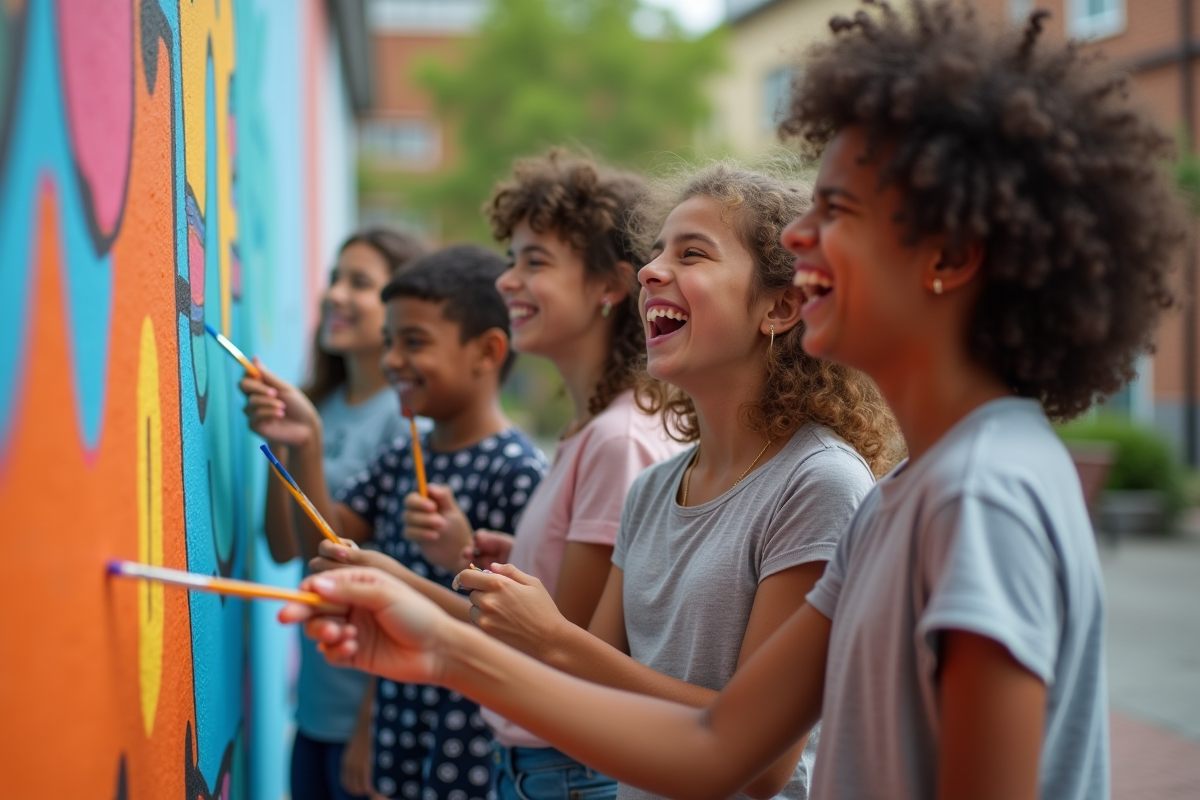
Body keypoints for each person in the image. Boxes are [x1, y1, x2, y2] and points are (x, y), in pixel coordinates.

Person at [280, 3, 1189, 799]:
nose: (799, 234)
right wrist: (444, 653)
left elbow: (748, 764)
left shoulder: (978, 496)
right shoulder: (906, 493)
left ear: (947, 258)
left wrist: (476, 645)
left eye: (837, 210)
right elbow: (718, 744)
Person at [452, 163, 897, 800]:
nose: (650, 270)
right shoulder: (653, 489)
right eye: (657, 251)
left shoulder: (817, 483)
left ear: (781, 305)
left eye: (691, 253)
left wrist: (550, 636)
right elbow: (592, 685)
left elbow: (764, 763)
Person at [314, 150, 684, 800]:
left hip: (564, 773)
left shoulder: (614, 439)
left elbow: (557, 652)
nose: (507, 281)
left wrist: (398, 581)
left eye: (534, 261)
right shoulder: (588, 433)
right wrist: (506, 558)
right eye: (511, 259)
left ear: (611, 286)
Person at [242, 245, 547, 800]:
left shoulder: (520, 473)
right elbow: (326, 549)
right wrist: (305, 443)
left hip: (468, 739)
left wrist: (458, 558)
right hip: (393, 723)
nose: (392, 361)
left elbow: (522, 632)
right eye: (390, 343)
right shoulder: (401, 458)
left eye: (414, 343)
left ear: (487, 352)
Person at [242, 226, 425, 800]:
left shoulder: (408, 422)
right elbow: (282, 545)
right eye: (335, 278)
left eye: (360, 283)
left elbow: (409, 582)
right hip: (316, 706)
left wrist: (371, 725)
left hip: (371, 716)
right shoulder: (318, 404)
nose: (336, 295)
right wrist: (289, 444)